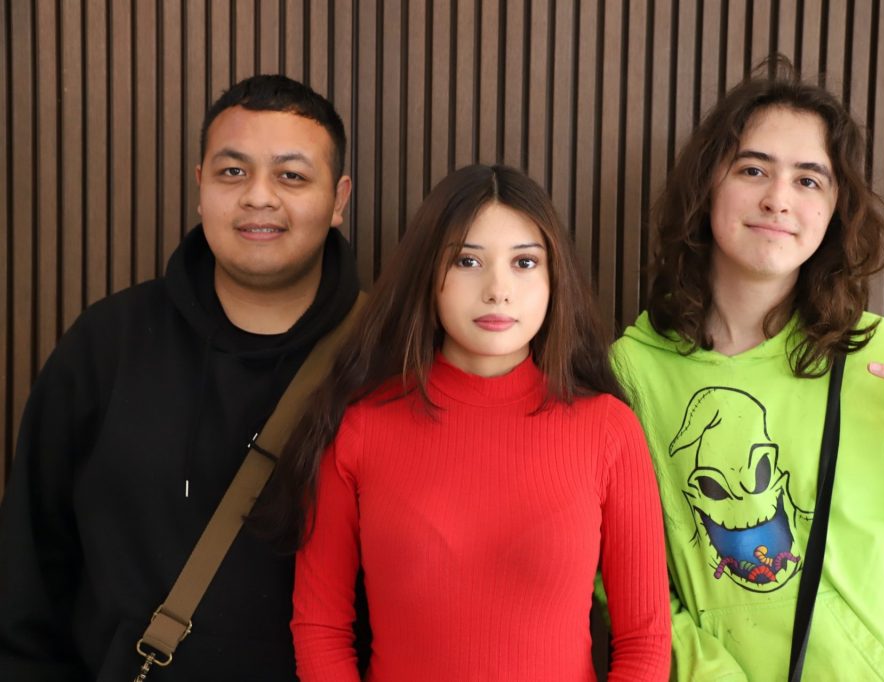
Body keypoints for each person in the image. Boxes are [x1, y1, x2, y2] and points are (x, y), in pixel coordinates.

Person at [611, 59, 884, 680]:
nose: (778, 199)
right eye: (753, 170)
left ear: (834, 210)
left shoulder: (877, 354)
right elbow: (620, 573)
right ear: (707, 185)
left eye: (809, 180)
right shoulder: (636, 373)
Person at [0, 74, 362, 680]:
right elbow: (29, 569)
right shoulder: (106, 344)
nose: (258, 197)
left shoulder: (383, 358)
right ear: (200, 186)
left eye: (292, 176)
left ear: (339, 198)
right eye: (232, 172)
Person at [264, 164, 671, 680]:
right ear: (428, 276)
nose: (498, 289)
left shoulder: (609, 430)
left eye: (525, 262)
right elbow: (321, 627)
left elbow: (645, 640)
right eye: (467, 260)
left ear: (555, 279)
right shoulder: (360, 427)